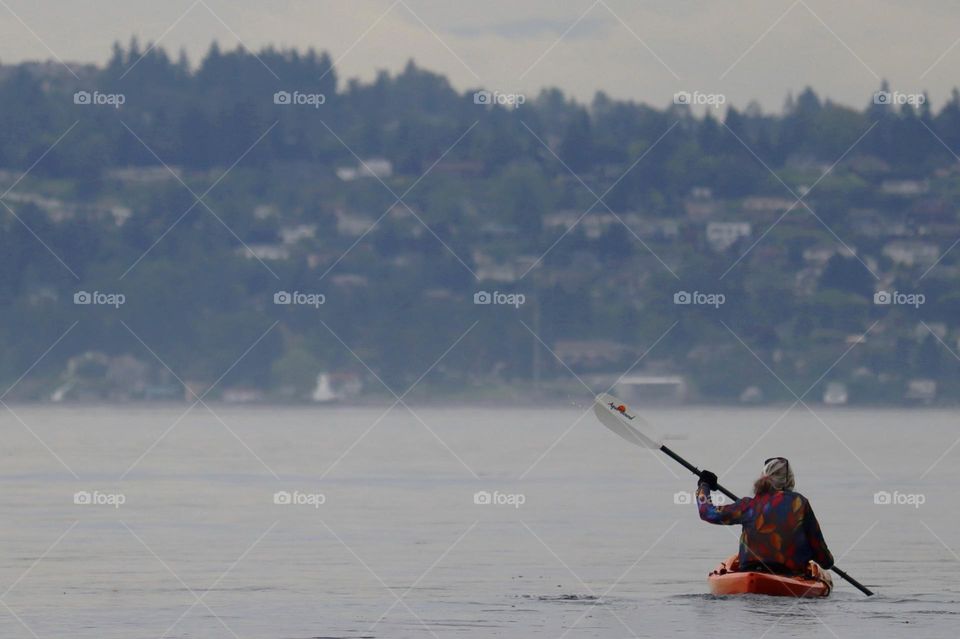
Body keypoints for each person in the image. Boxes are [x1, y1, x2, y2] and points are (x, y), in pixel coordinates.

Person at [695, 457, 834, 575]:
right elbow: (822, 556)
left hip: (750, 571)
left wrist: (704, 485)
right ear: (789, 481)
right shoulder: (800, 504)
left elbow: (707, 512)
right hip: (788, 574)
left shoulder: (748, 505)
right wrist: (827, 563)